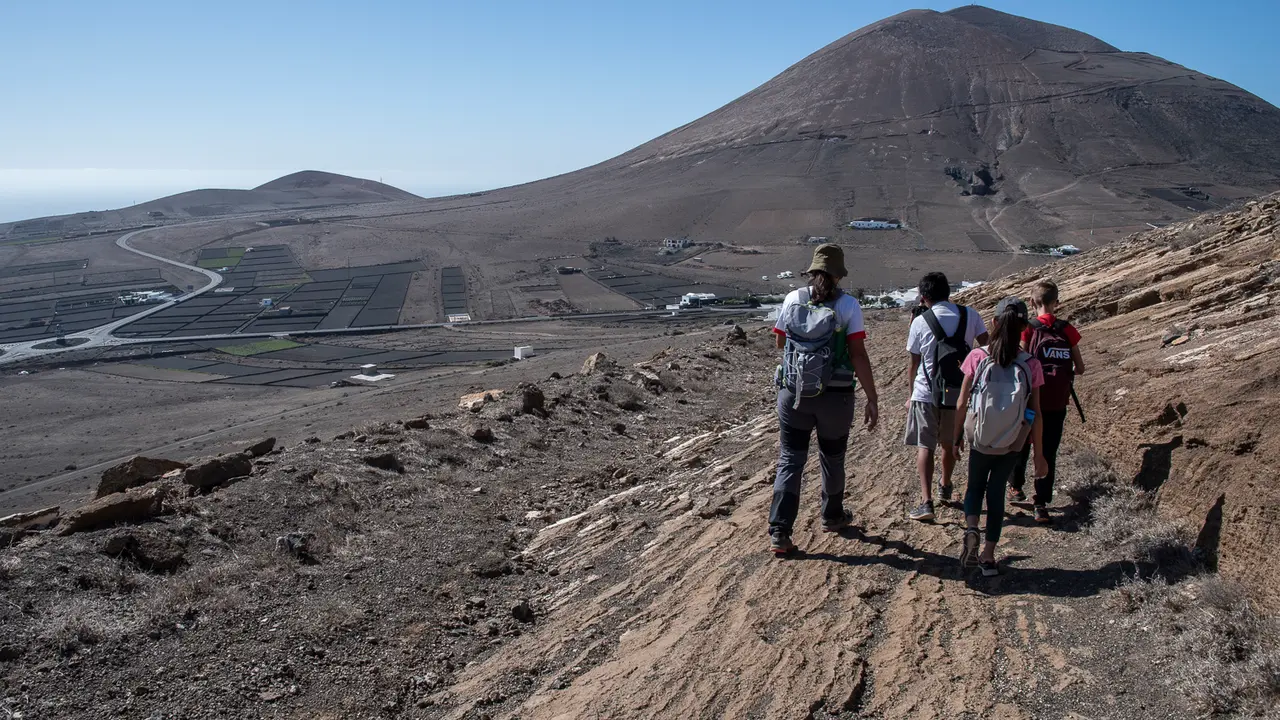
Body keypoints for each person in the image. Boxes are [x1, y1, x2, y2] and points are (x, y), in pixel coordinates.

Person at [768, 244, 879, 555]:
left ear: (812, 271)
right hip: (836, 397)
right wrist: (872, 397)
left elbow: (780, 342)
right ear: (839, 275)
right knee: (832, 458)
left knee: (791, 459)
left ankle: (780, 530)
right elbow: (858, 354)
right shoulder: (849, 306)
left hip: (794, 394)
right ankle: (832, 516)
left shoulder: (792, 299)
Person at [955, 297, 1048, 576]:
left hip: (980, 437)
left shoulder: (977, 356)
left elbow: (961, 402)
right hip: (1012, 441)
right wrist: (1040, 455)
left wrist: (956, 435)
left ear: (994, 323)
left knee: (974, 487)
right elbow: (1037, 413)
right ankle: (987, 556)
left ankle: (972, 528)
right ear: (1023, 328)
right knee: (996, 494)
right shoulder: (1030, 363)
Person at [903, 272, 988, 522]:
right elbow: (986, 347)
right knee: (950, 443)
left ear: (923, 297)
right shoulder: (970, 315)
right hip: (958, 391)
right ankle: (946, 485)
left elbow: (913, 362)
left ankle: (926, 501)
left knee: (925, 446)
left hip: (925, 392)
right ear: (948, 292)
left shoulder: (920, 321)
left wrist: (911, 396)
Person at [1009, 280, 1087, 524]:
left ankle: (1016, 486)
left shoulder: (1028, 329)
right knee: (1048, 451)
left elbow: (1020, 363)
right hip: (1056, 403)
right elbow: (1081, 368)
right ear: (1057, 302)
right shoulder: (1067, 329)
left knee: (1021, 444)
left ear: (1032, 302)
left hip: (1031, 401)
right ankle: (1041, 503)